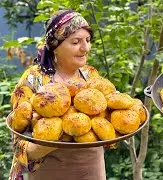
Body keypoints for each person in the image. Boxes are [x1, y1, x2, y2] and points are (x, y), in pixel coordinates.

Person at [9, 10, 106, 180]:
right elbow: (18, 145)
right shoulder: (33, 79)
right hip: (49, 171)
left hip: (92, 170)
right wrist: (55, 139)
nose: (85, 48)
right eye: (76, 42)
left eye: (88, 41)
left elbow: (106, 122)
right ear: (55, 46)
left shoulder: (91, 75)